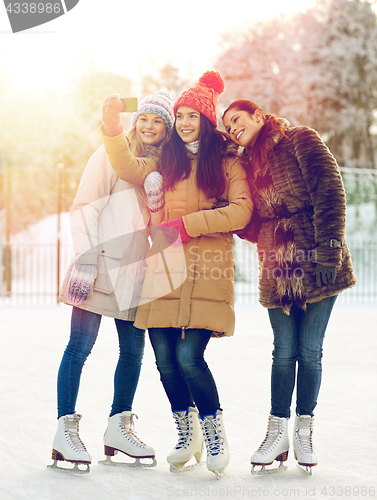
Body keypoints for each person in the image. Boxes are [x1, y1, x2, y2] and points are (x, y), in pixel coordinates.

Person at [102, 71, 253, 479]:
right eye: (180, 115)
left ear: (207, 118)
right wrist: (113, 129)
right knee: (165, 359)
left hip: (206, 268)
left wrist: (190, 224)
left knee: (190, 356)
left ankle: (213, 430)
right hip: (164, 268)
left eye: (193, 115)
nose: (185, 122)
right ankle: (187, 433)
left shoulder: (226, 160)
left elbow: (241, 211)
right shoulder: (163, 159)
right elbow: (127, 165)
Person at [222, 100, 356, 475]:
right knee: (283, 351)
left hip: (317, 257)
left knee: (309, 351)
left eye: (237, 120)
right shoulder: (247, 165)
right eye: (228, 127)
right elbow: (254, 224)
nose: (233, 129)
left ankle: (304, 430)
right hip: (277, 265)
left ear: (258, 116)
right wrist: (232, 213)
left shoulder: (300, 140)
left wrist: (329, 249)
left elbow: (330, 191)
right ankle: (276, 431)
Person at [49, 91, 174, 473]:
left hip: (136, 274)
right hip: (99, 267)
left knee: (133, 353)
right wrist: (85, 261)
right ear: (135, 121)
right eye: (146, 118)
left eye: (159, 122)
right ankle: (65, 430)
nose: (150, 126)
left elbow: (161, 225)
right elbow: (85, 207)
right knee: (79, 347)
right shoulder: (109, 153)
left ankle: (119, 425)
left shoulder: (163, 170)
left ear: (166, 132)